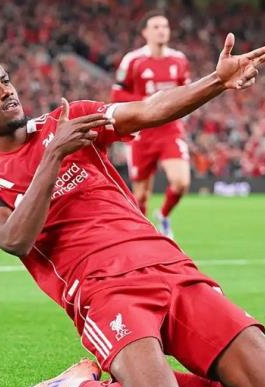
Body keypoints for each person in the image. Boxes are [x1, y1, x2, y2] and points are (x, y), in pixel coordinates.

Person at [0, 34, 265, 387]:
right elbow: (15, 239)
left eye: (5, 80)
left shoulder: (71, 119)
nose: (6, 91)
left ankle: (168, 383)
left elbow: (150, 109)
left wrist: (217, 81)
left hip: (172, 270)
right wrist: (54, 155)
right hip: (106, 290)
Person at [111, 10, 192, 237]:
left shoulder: (179, 60)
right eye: (156, 27)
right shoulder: (133, 60)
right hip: (142, 132)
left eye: (165, 26)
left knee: (181, 182)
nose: (161, 31)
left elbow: (188, 92)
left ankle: (164, 216)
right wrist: (147, 102)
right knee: (140, 195)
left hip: (170, 130)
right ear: (145, 32)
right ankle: (144, 236)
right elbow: (116, 94)